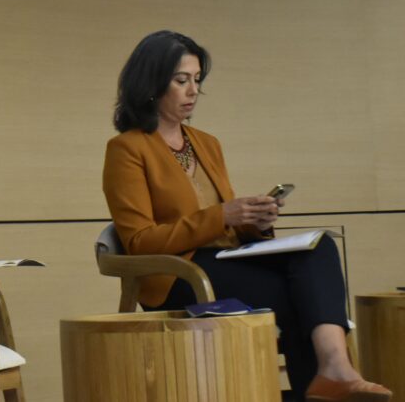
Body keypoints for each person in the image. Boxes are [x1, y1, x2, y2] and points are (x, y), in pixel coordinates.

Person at [102, 30, 392, 402]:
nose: (193, 91)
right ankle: (332, 377)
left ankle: (334, 370)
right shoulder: (126, 149)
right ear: (152, 83)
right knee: (299, 297)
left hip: (224, 259)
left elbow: (226, 226)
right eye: (181, 80)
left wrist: (253, 223)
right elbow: (140, 242)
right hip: (178, 274)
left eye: (197, 80)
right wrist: (223, 214)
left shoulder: (206, 143)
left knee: (319, 248)